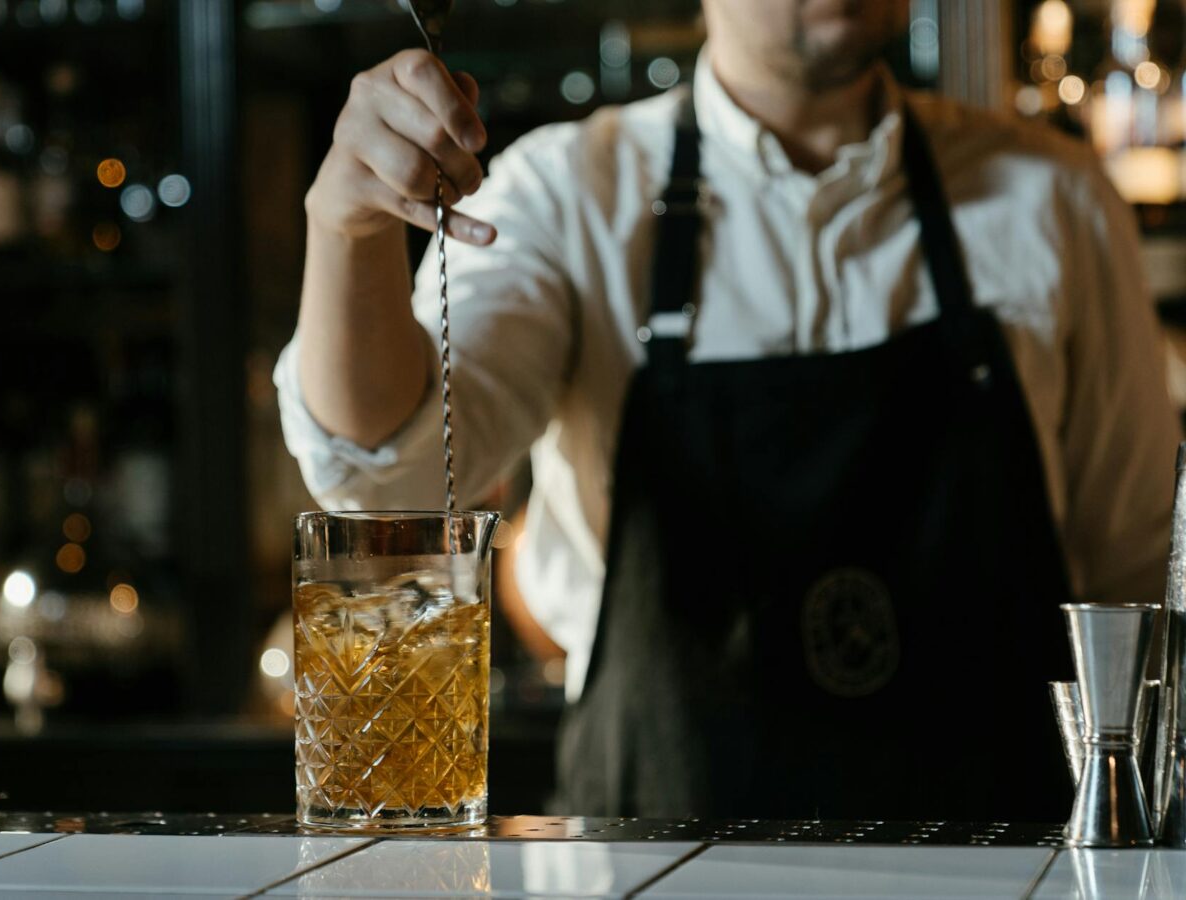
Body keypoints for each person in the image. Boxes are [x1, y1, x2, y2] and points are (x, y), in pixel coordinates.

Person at [276, 0, 1181, 821]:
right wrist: (349, 231)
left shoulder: (1055, 197)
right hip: (648, 856)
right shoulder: (565, 194)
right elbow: (384, 476)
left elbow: (1136, 577)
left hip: (1006, 858)